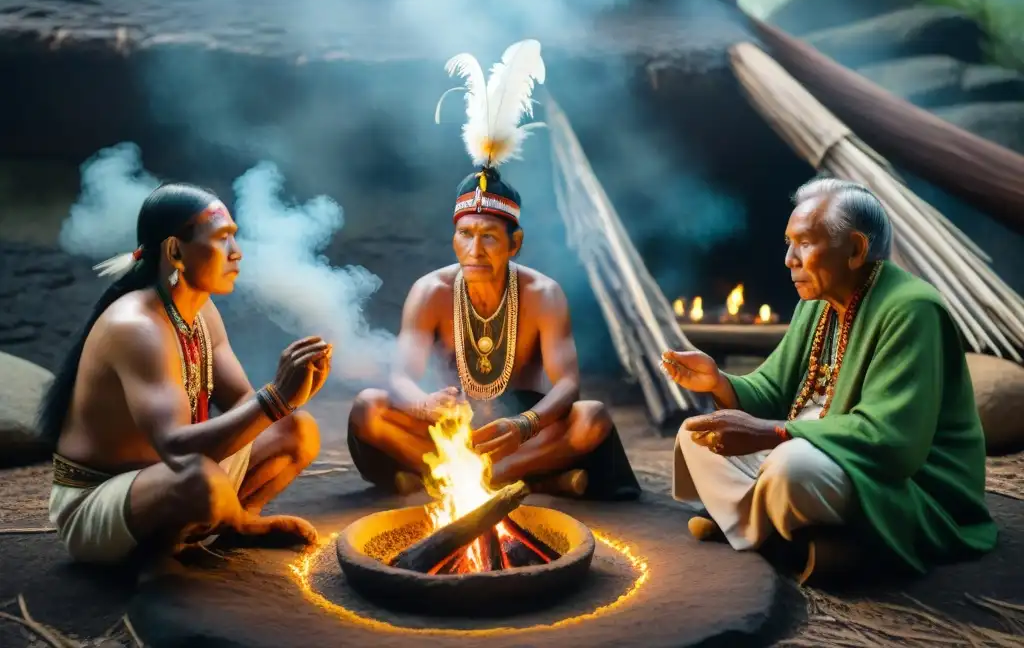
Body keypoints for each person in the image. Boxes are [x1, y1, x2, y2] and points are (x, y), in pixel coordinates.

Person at [348, 39, 641, 500]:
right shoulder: (431, 292)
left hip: (518, 430)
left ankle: (474, 480)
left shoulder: (544, 294)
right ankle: (535, 479)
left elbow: (567, 383)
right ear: (453, 238)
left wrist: (525, 424)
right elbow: (400, 377)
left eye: (489, 237)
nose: (475, 248)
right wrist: (425, 405)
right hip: (450, 427)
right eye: (466, 234)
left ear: (515, 243)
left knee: (592, 418)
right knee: (369, 409)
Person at [663, 177, 997, 581]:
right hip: (808, 445)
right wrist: (717, 382)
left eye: (804, 243)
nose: (789, 258)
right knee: (695, 434)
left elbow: (892, 442)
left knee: (789, 469)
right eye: (788, 242)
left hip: (905, 483)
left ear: (855, 250)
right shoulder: (817, 302)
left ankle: (750, 523)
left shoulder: (913, 309)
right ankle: (778, 530)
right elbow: (773, 389)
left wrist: (775, 434)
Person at [39, 183, 332, 565]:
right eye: (223, 239)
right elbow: (176, 448)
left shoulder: (201, 311)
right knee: (200, 480)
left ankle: (236, 524)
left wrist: (294, 395)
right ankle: (175, 556)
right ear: (176, 251)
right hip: (98, 503)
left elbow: (245, 405)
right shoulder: (136, 327)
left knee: (296, 430)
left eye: (235, 238)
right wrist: (275, 398)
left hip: (170, 476)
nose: (237, 253)